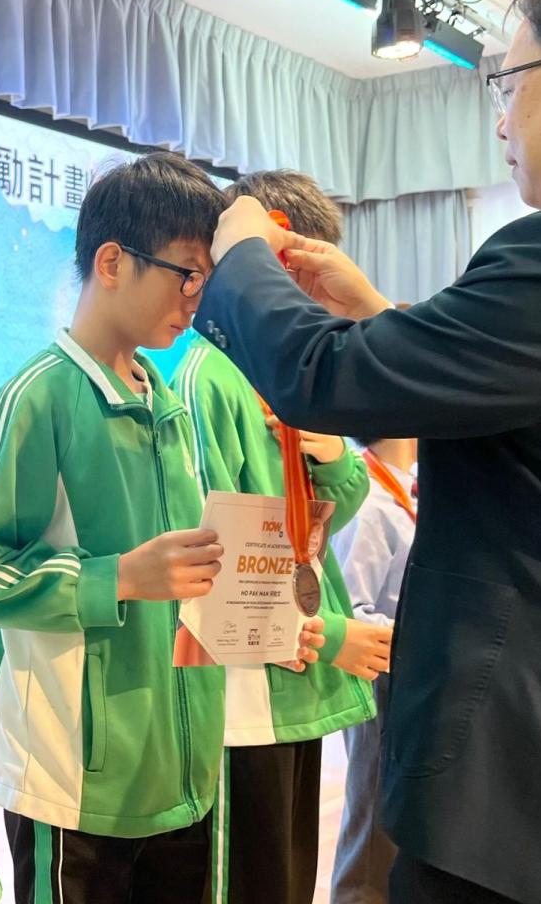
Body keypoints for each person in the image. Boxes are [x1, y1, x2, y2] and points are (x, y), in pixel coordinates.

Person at [193, 0, 541, 903]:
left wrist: (238, 255)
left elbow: (319, 376)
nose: (501, 120)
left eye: (507, 86)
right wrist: (379, 314)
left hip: (525, 783)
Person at [0, 152, 322, 904]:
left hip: (184, 777)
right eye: (185, 273)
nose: (196, 298)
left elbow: (201, 573)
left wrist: (272, 624)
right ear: (112, 262)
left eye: (205, 279)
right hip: (71, 787)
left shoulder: (169, 403)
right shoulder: (37, 399)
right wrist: (117, 578)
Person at [172, 170, 386, 904]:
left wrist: (334, 456)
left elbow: (317, 525)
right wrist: (329, 635)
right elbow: (220, 561)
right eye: (304, 274)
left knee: (289, 881)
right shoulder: (211, 378)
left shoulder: (279, 376)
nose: (315, 300)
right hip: (244, 691)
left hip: (291, 683)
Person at [329, 436, 418, 904]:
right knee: (373, 830)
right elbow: (349, 610)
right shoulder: (368, 501)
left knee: (397, 824)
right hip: (381, 677)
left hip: (413, 676)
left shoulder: (410, 488)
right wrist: (422, 633)